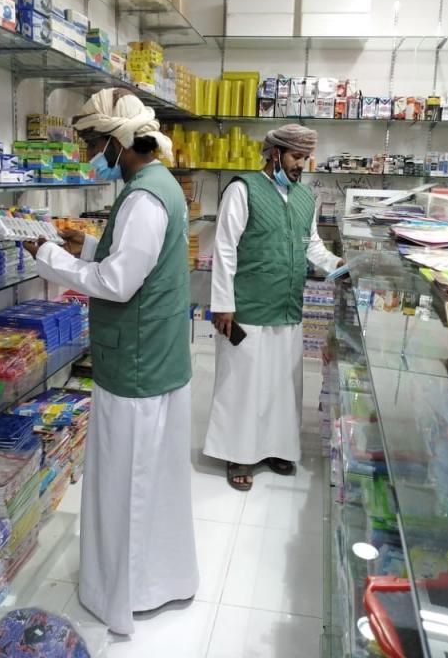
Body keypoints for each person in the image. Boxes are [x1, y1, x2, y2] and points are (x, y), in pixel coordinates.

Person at [24, 88, 199, 635]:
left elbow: (119, 282)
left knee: (129, 482)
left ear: (117, 143)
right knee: (151, 478)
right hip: (156, 355)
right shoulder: (158, 186)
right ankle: (156, 580)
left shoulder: (144, 198)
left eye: (91, 144)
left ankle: (125, 594)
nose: (89, 154)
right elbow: (132, 259)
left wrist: (48, 257)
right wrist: (81, 244)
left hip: (138, 363)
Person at [203, 123, 342, 491]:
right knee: (244, 384)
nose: (301, 165)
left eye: (305, 158)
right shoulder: (242, 189)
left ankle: (278, 448)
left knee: (283, 384)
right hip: (248, 305)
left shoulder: (304, 197)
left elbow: (312, 246)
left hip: (287, 306)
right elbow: (225, 248)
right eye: (296, 156)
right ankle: (239, 454)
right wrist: (223, 304)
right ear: (275, 153)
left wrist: (338, 266)